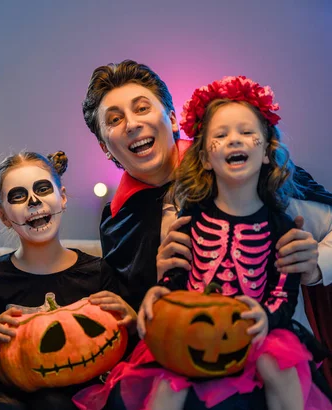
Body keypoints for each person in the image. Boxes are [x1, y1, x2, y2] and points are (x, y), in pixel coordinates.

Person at [74, 75, 332, 410]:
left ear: (170, 118)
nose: (132, 124)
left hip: (268, 355)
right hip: (185, 354)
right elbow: (138, 304)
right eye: (115, 119)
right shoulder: (117, 218)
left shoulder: (255, 174)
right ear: (105, 147)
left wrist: (315, 266)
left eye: (141, 108)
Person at [0, 151, 137, 409]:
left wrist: (132, 324)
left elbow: (124, 358)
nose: (33, 201)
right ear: (4, 217)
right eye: (18, 196)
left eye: (42, 189)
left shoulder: (99, 272)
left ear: (62, 197)